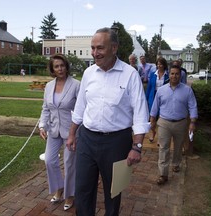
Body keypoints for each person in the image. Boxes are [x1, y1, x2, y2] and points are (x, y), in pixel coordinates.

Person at [67, 27, 150, 216]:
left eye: (100, 48)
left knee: (113, 191)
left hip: (116, 142)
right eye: (93, 48)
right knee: (83, 190)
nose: (95, 53)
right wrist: (72, 133)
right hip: (87, 139)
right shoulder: (88, 73)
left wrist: (137, 147)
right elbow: (80, 106)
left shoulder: (130, 75)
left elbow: (140, 113)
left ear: (114, 48)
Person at [38, 54, 80, 211]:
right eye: (56, 66)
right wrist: (42, 126)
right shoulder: (49, 86)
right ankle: (59, 188)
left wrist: (75, 132)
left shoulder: (76, 85)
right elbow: (46, 108)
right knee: (49, 160)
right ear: (52, 69)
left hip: (72, 132)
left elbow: (82, 108)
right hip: (53, 130)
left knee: (70, 164)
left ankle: (70, 194)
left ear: (66, 66)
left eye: (62, 65)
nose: (60, 68)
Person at [150, 65, 198, 185]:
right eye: (172, 73)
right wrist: (152, 120)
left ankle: (176, 164)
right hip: (164, 123)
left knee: (178, 147)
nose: (174, 76)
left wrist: (192, 122)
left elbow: (193, 106)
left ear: (180, 75)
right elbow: (155, 106)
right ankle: (163, 174)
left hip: (180, 123)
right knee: (163, 148)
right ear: (169, 74)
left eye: (177, 74)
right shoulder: (161, 90)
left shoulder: (187, 90)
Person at [146, 57, 169, 142]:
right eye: (158, 64)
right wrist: (146, 98)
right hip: (153, 96)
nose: (159, 66)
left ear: (164, 65)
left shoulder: (168, 75)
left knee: (161, 118)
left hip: (164, 98)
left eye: (161, 64)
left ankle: (160, 137)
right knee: (152, 117)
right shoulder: (153, 74)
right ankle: (152, 133)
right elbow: (149, 87)